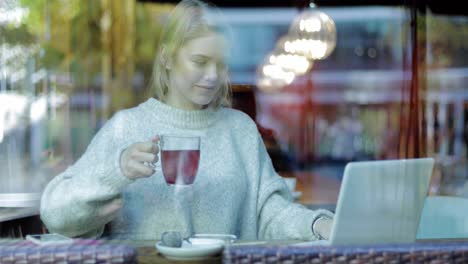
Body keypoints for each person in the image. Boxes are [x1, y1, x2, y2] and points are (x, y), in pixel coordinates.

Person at [40, 0, 333, 241]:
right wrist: (116, 171)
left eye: (220, 64)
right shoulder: (126, 128)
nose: (212, 76)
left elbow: (270, 212)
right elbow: (56, 215)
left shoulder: (239, 129)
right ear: (167, 58)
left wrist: (317, 225)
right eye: (200, 62)